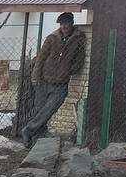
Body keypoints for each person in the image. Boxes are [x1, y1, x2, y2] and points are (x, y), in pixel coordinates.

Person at [20, 12, 88, 146]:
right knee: (39, 111)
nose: (64, 26)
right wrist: (35, 77)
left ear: (71, 23)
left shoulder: (78, 39)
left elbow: (80, 59)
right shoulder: (52, 38)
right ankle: (36, 141)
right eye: (62, 24)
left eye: (66, 23)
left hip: (61, 85)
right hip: (43, 81)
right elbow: (41, 58)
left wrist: (69, 70)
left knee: (49, 110)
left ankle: (28, 130)